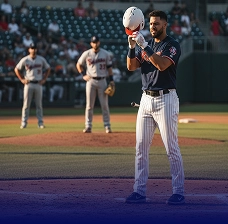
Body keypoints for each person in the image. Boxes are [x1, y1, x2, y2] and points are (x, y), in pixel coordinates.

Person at [125, 10, 185, 205]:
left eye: (156, 23)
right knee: (141, 148)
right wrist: (132, 48)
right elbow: (131, 67)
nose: (152, 27)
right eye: (151, 23)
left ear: (165, 25)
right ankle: (139, 191)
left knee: (171, 148)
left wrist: (143, 45)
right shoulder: (147, 43)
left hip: (165, 98)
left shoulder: (172, 45)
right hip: (145, 98)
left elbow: (160, 65)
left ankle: (178, 191)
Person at [76, 35, 114, 134]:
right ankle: (88, 126)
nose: (95, 43)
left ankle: (107, 126)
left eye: (96, 42)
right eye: (93, 42)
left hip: (102, 80)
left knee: (104, 105)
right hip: (91, 81)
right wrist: (83, 74)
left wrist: (112, 80)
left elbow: (109, 68)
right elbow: (78, 64)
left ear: (99, 42)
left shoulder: (105, 54)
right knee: (89, 105)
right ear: (91, 43)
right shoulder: (87, 53)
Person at [14, 42, 51, 129]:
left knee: (39, 105)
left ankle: (40, 123)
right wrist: (22, 79)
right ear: (29, 50)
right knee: (26, 105)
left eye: (34, 48)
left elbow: (48, 68)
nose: (33, 50)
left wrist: (44, 79)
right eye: (32, 48)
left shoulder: (41, 59)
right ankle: (24, 123)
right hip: (29, 83)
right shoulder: (25, 59)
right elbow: (16, 69)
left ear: (36, 49)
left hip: (38, 83)